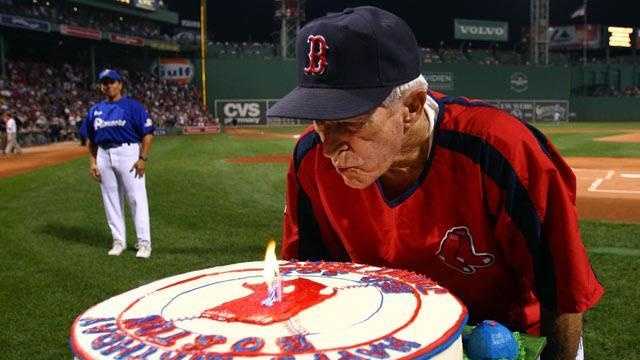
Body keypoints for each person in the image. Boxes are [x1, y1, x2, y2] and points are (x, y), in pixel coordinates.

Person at [267, 7, 603, 360]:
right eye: (321, 121)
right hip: (385, 334)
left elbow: (563, 291)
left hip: (502, 340)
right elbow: (308, 278)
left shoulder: (502, 150)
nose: (330, 146)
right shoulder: (310, 157)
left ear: (411, 107)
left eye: (349, 123)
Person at [80, 69, 155, 258]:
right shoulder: (95, 110)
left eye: (112, 82)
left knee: (136, 198)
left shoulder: (132, 106)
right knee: (111, 199)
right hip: (104, 154)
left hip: (128, 152)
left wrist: (142, 158)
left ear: (120, 84)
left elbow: (147, 133)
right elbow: (90, 139)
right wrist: (93, 162)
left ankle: (144, 243)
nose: (108, 86)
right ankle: (118, 241)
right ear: (101, 86)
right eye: (104, 82)